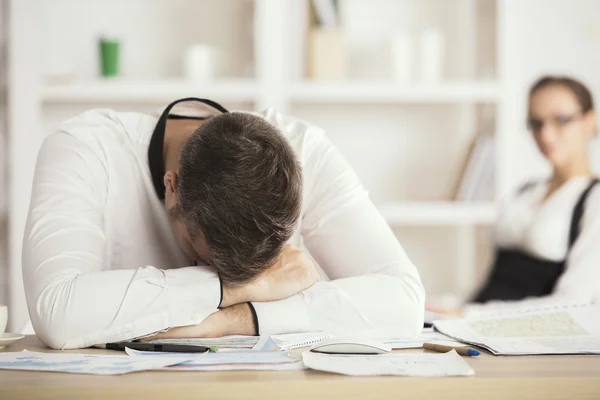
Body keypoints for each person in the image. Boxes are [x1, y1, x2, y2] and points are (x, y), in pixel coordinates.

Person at [22, 98, 425, 349]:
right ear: (172, 188)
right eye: (206, 256)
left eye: (257, 270)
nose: (237, 278)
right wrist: (245, 286)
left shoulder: (307, 152)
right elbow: (57, 312)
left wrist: (230, 321)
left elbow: (404, 302)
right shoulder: (87, 149)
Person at [431, 76, 600, 318]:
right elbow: (493, 283)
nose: (546, 135)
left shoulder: (593, 199)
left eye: (561, 120)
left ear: (590, 121)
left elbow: (574, 302)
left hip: (524, 338)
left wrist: (469, 313)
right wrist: (448, 306)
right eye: (536, 123)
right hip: (477, 324)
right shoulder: (525, 191)